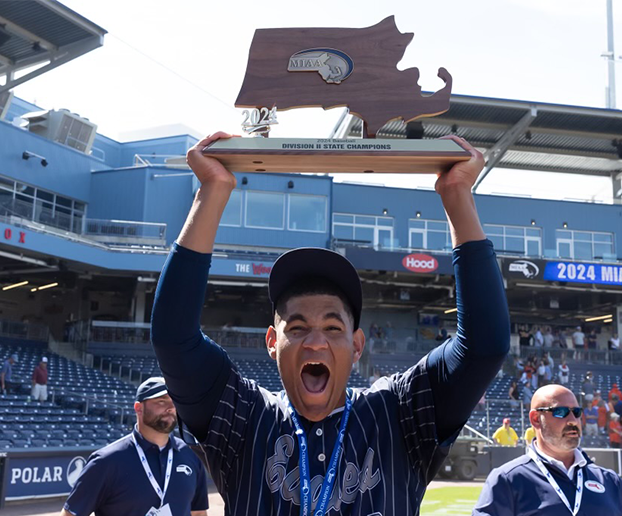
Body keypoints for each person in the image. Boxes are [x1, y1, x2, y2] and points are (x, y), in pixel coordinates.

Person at [151, 132, 510, 514]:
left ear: (357, 346)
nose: (315, 342)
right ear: (272, 342)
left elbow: (484, 346)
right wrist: (211, 191)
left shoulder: (397, 412)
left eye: (333, 328)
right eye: (297, 328)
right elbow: (174, 337)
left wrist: (458, 195)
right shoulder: (246, 416)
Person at [473, 384, 622, 515]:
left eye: (576, 412)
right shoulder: (507, 480)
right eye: (561, 412)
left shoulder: (608, 481)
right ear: (535, 419)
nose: (573, 420)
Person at [61, 377, 208, 516]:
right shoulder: (106, 461)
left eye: (174, 401)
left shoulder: (191, 455)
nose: (171, 407)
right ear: (138, 408)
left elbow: (198, 513)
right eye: (161, 401)